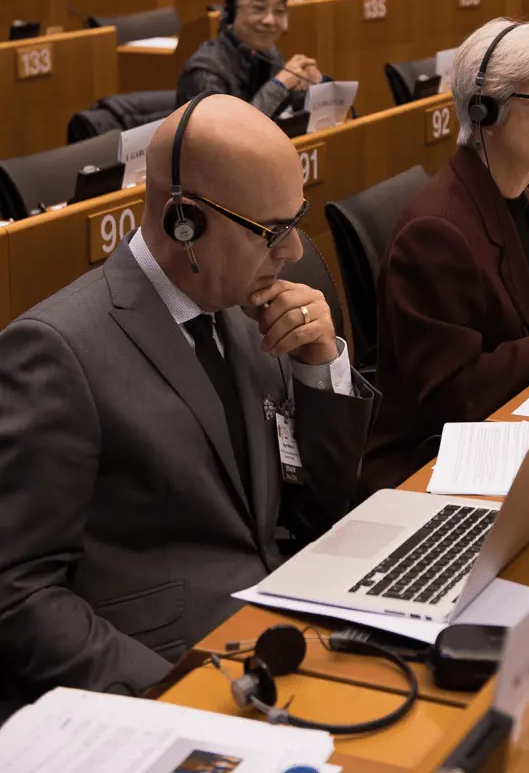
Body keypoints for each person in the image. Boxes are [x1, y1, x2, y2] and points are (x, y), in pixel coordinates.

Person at [0, 94, 377, 706]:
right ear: (186, 222)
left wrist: (319, 370)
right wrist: (172, 695)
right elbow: (17, 592)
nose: (293, 252)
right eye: (272, 232)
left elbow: (320, 508)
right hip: (175, 671)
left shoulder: (248, 307)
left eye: (297, 222)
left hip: (290, 629)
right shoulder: (56, 351)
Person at [361, 18, 529, 492]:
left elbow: (519, 319)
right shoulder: (435, 233)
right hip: (431, 467)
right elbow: (450, 395)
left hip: (509, 431)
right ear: (486, 110)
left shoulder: (525, 202)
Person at [176, 0, 323, 117]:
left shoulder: (269, 54)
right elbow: (231, 129)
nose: (270, 20)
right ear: (232, 12)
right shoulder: (206, 69)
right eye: (258, 8)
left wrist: (309, 89)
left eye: (279, 11)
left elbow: (282, 111)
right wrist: (279, 85)